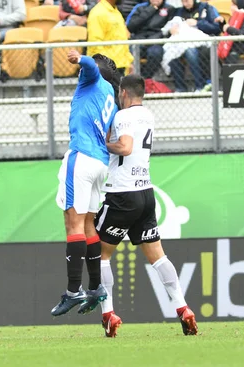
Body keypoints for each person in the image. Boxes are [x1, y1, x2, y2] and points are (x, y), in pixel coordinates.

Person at [94, 74, 198, 337]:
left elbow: (126, 147)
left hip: (121, 194)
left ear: (124, 93)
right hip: (145, 193)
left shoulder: (122, 116)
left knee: (99, 254)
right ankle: (183, 308)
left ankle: (108, 314)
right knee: (158, 256)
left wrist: (103, 144)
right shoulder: (148, 115)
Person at [50, 50, 121, 317]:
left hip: (81, 157)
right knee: (88, 223)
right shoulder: (110, 98)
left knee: (73, 222)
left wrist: (79, 58)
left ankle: (72, 291)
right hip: (100, 163)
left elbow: (90, 66)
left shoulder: (92, 80)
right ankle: (95, 287)